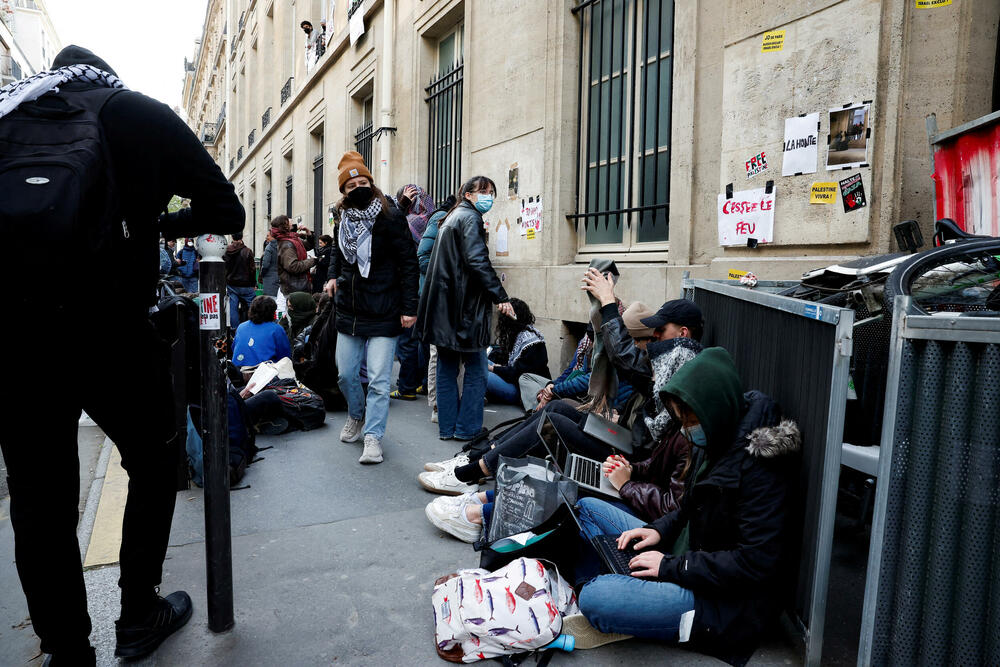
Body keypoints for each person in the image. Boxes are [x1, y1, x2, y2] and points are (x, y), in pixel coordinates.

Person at [0, 45, 244, 665]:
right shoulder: (134, 112)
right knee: (155, 462)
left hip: (16, 339)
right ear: (105, 76)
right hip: (109, 328)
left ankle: (67, 649)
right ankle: (138, 614)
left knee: (38, 497)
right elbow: (224, 209)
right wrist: (155, 218)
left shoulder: (8, 117)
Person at [568, 348, 801, 663]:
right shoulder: (718, 436)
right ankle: (627, 596)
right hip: (685, 554)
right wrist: (658, 530)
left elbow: (754, 563)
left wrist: (670, 567)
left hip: (718, 601)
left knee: (595, 597)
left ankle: (618, 601)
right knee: (588, 507)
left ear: (715, 409)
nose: (685, 428)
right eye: (680, 418)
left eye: (689, 419)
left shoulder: (762, 467)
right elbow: (689, 506)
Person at [425, 336, 700, 543]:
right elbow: (652, 465)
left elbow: (670, 505)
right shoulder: (677, 421)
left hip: (640, 499)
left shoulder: (686, 433)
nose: (652, 374)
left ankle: (482, 511)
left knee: (573, 482)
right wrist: (627, 472)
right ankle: (483, 487)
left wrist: (627, 484)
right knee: (559, 416)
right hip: (630, 466)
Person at [418, 298, 700, 495]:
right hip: (624, 437)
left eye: (659, 332)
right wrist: (555, 387)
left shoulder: (676, 367)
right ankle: (479, 456)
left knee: (554, 420)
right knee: (557, 410)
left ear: (682, 332)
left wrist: (607, 301)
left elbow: (617, 358)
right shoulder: (667, 361)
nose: (650, 341)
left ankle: (474, 471)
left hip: (631, 456)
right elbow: (579, 371)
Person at [324, 151, 419, 464]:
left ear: (372, 184)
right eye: (351, 186)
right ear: (344, 192)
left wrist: (409, 307)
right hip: (350, 309)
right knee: (345, 374)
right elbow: (337, 254)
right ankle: (356, 414)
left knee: (378, 379)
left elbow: (408, 262)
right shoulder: (342, 218)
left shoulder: (391, 216)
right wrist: (332, 276)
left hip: (385, 308)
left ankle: (373, 437)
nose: (358, 188)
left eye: (363, 182)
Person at [416, 176, 514, 441]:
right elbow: (477, 260)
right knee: (477, 369)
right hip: (464, 309)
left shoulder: (452, 216)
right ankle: (467, 427)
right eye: (484, 191)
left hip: (446, 308)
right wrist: (500, 296)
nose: (489, 196)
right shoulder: (470, 218)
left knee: (447, 368)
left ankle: (448, 428)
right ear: (468, 194)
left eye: (492, 192)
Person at [390, 184, 436, 401]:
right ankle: (425, 382)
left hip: (410, 288)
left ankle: (407, 386)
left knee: (407, 340)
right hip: (430, 289)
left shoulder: (409, 222)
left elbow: (391, 234)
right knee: (424, 340)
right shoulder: (436, 221)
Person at [416, 194, 457, 422]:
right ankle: (436, 405)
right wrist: (447, 273)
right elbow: (422, 257)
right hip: (437, 294)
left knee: (440, 352)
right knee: (436, 352)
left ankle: (441, 402)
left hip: (447, 294)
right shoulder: (441, 218)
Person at [486, 297, 550, 405]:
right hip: (514, 383)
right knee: (480, 360)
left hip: (522, 391)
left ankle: (474, 397)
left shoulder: (531, 342)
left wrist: (494, 368)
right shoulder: (520, 335)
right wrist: (497, 366)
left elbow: (517, 373)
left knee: (481, 373)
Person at [232, 295, 292, 368]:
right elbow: (285, 357)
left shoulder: (241, 326)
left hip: (238, 369)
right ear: (272, 312)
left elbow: (234, 348)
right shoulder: (276, 329)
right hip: (263, 372)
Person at [272, 214, 316, 303]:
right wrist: (313, 261)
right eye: (288, 221)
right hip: (295, 288)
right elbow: (293, 266)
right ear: (285, 226)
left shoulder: (292, 239)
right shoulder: (287, 243)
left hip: (298, 286)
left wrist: (308, 233)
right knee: (296, 315)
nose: (291, 221)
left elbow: (308, 245)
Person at [224, 231, 257, 329]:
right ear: (242, 236)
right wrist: (253, 284)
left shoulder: (226, 251)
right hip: (246, 284)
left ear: (232, 236)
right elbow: (252, 270)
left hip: (232, 284)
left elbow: (224, 267)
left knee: (233, 308)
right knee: (252, 305)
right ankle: (254, 326)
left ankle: (235, 330)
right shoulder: (247, 251)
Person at [259, 230, 280, 296]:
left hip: (269, 279)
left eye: (268, 236)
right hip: (280, 277)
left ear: (273, 236)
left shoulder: (269, 247)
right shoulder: (281, 245)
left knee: (269, 301)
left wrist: (262, 274)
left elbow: (265, 265)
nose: (266, 237)